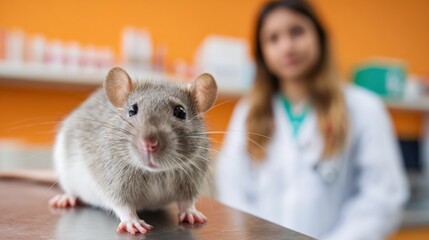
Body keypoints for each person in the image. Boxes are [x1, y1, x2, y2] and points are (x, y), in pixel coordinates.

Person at [215, 0, 409, 239]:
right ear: (262, 53)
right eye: (273, 38)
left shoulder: (364, 109)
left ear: (319, 36)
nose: (287, 47)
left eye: (296, 31)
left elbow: (382, 198)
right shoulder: (248, 113)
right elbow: (233, 191)